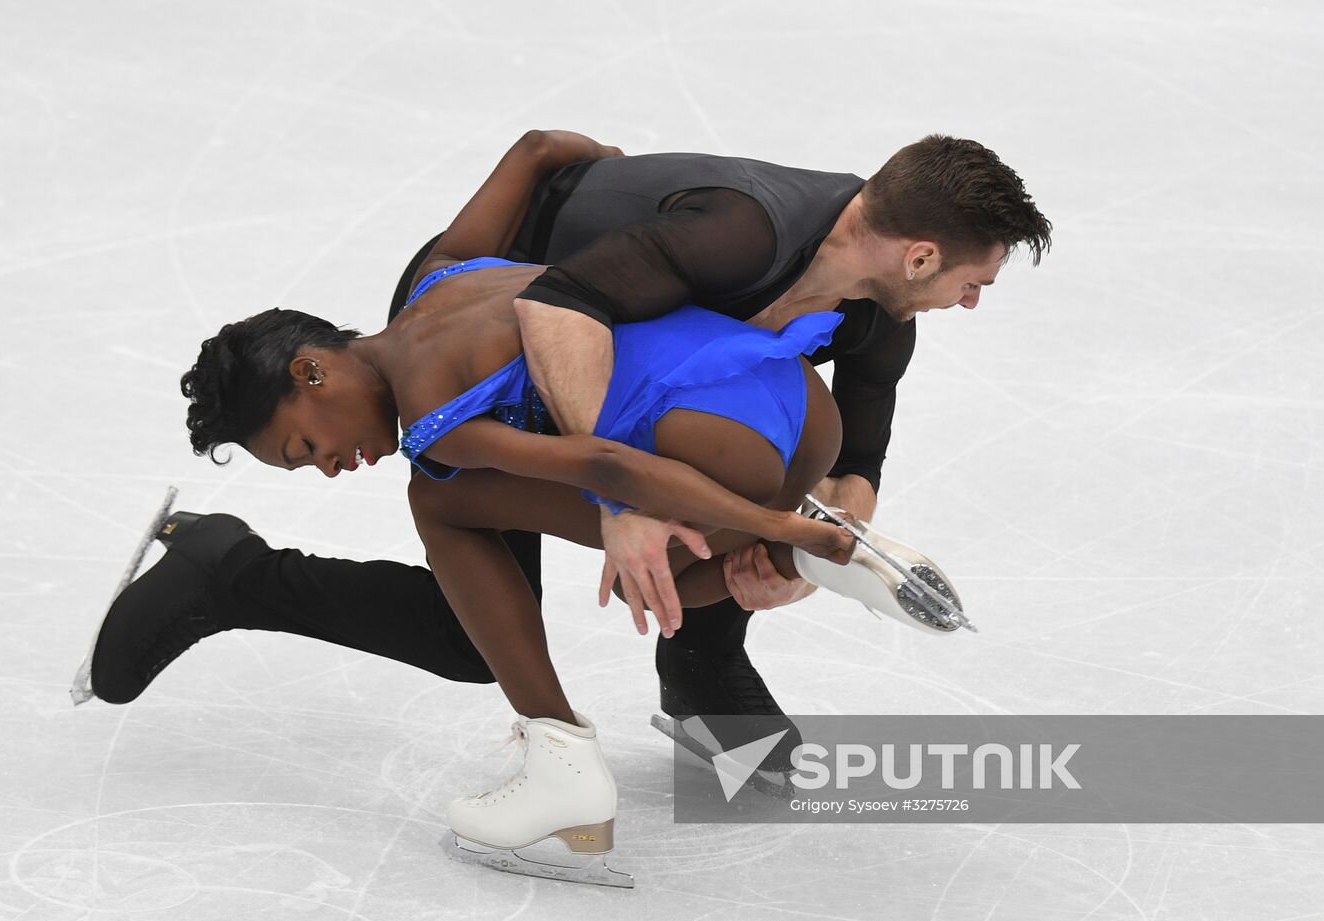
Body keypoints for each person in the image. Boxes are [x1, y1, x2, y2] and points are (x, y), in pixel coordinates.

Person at [85, 128, 1050, 776]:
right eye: (974, 282)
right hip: (489, 357)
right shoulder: (733, 234)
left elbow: (860, 439)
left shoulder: (876, 314)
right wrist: (626, 504)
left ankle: (702, 673)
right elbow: (563, 310)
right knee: (483, 622)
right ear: (921, 253)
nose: (973, 303)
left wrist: (809, 544)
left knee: (712, 489)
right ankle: (234, 573)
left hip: (582, 371)